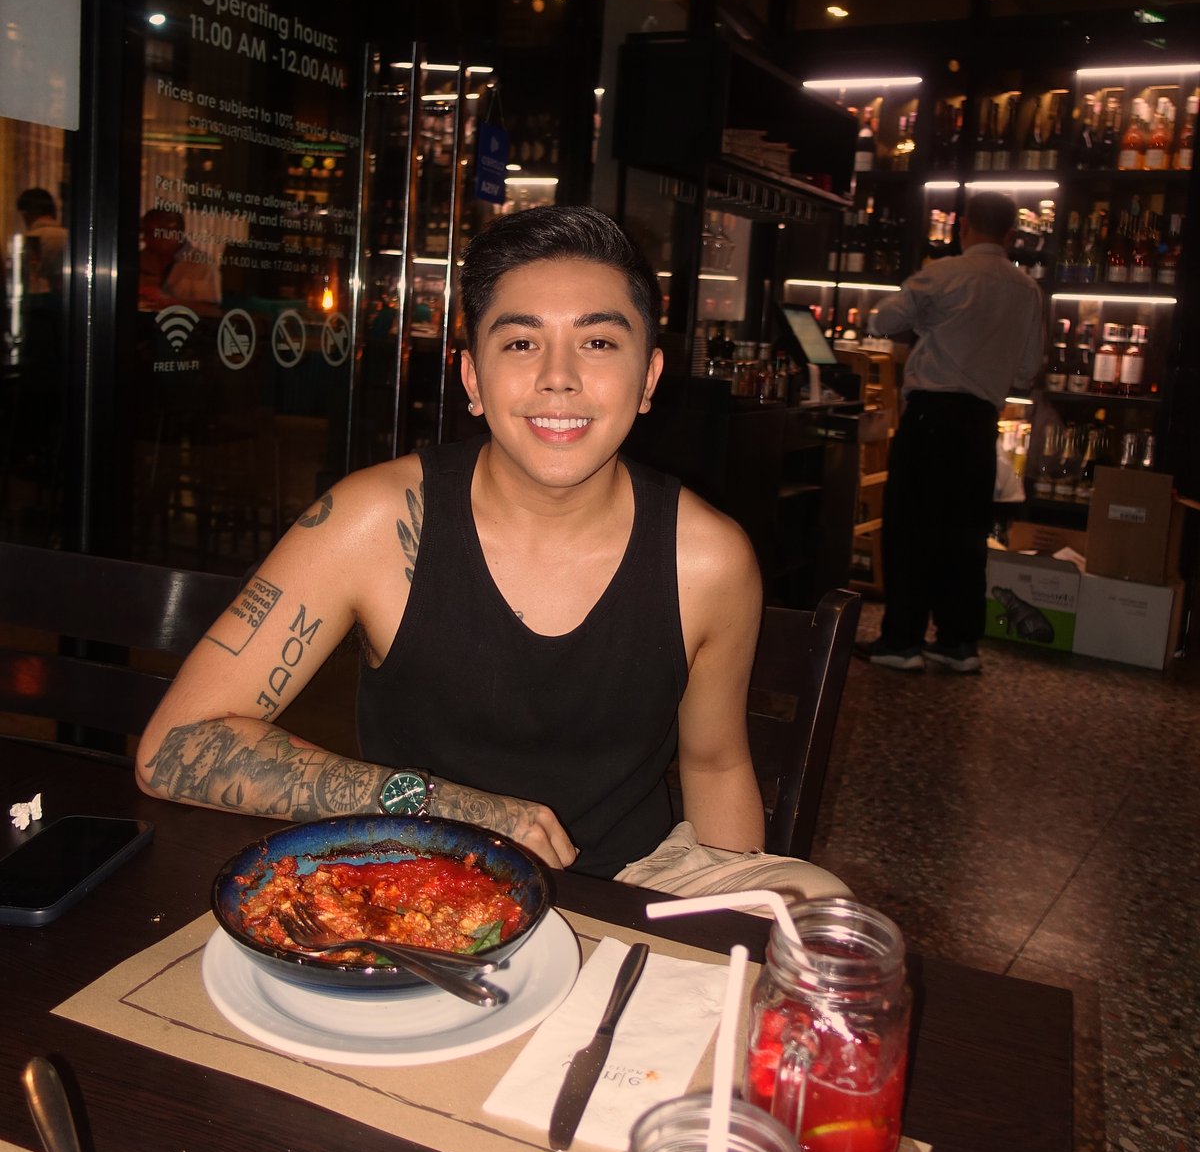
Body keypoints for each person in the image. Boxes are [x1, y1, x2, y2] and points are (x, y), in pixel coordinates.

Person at [136, 204, 844, 898]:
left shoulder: (708, 558)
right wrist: (448, 808)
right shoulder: (376, 520)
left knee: (812, 899)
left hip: (628, 886)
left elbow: (716, 767)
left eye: (598, 343)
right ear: (472, 378)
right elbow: (174, 746)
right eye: (521, 343)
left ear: (649, 378)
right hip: (414, 869)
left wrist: (733, 923)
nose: (558, 377)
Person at [857, 189, 1045, 675]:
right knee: (965, 533)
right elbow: (1027, 371)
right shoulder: (1027, 289)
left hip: (931, 415)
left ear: (963, 226)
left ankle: (902, 641)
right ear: (1011, 235)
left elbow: (882, 320)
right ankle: (958, 642)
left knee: (911, 527)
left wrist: (925, 320)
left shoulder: (943, 273)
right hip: (981, 422)